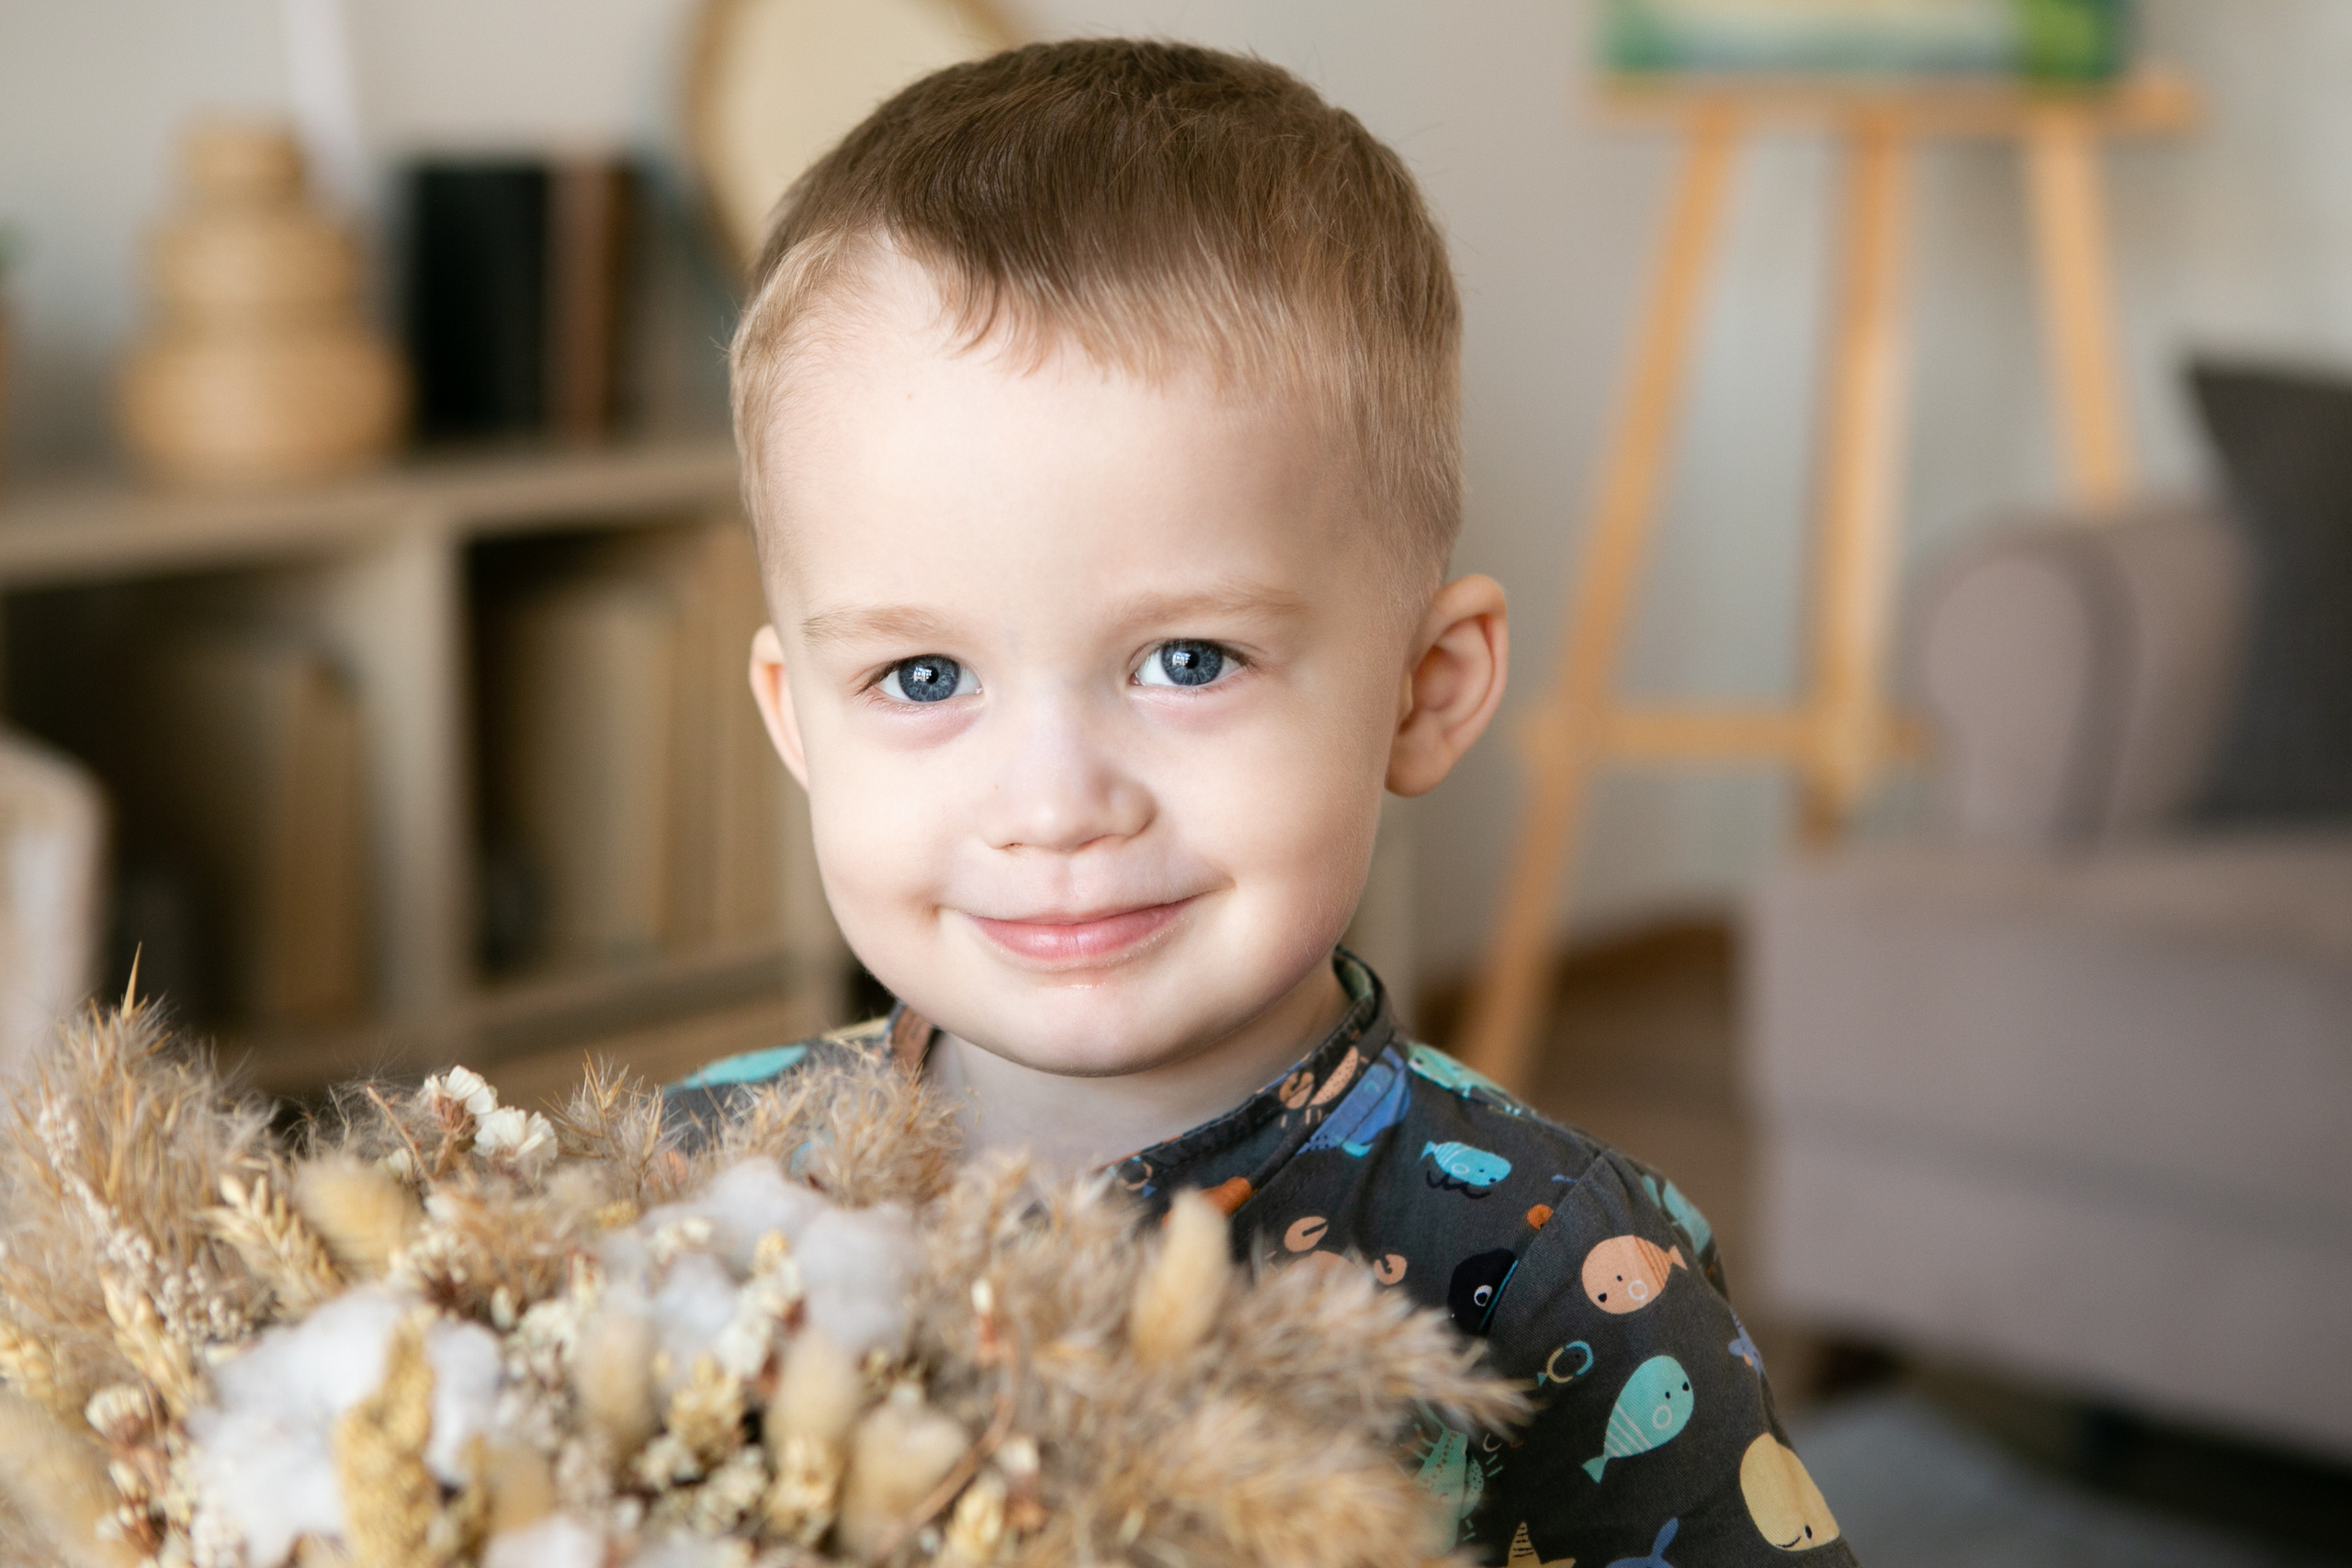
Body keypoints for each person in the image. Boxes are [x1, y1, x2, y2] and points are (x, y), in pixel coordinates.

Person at [670, 38, 1853, 1565]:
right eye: (920, 678)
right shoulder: (701, 1183)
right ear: (799, 722)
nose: (1055, 806)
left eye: (1185, 658)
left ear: (1424, 689)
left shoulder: (1558, 1273)